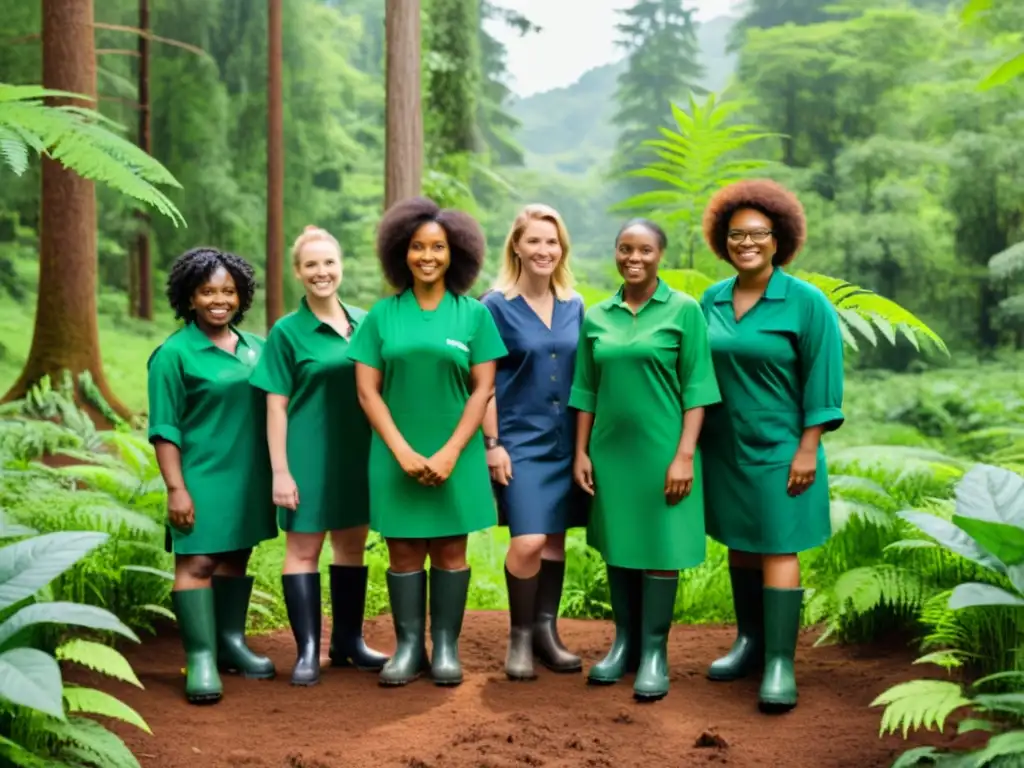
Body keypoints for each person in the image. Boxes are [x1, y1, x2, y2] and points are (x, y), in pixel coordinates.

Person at [346, 196, 507, 688]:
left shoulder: (474, 316)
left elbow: (484, 388)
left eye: (438, 247)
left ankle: (447, 650)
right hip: (396, 454)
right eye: (418, 247)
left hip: (455, 453)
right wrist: (401, 451)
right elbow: (367, 391)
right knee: (404, 553)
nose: (428, 256)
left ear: (456, 252)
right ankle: (410, 647)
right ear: (402, 252)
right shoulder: (381, 316)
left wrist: (452, 451)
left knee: (451, 553)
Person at [698, 179, 845, 713]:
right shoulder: (710, 300)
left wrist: (808, 448)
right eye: (737, 235)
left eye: (758, 234)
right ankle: (749, 643)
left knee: (779, 546)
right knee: (742, 541)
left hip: (784, 448)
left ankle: (781, 661)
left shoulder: (808, 304)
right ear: (723, 240)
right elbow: (693, 373)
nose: (747, 243)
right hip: (725, 448)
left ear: (778, 239)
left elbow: (824, 385)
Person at [569, 219, 721, 702]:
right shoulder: (597, 315)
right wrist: (581, 451)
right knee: (620, 545)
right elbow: (585, 390)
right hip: (610, 453)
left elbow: (698, 389)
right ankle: (624, 645)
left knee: (660, 548)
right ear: (614, 252)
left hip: (663, 451)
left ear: (661, 255)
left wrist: (684, 456)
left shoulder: (684, 311)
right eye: (624, 249)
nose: (634, 258)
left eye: (645, 250)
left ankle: (655, 653)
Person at [249, 226, 389, 687]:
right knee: (303, 550)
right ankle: (308, 649)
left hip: (358, 454)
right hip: (305, 455)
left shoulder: (368, 322)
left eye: (328, 263)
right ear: (298, 272)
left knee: (351, 546)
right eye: (311, 265)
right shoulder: (287, 332)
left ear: (341, 267)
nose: (321, 272)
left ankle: (348, 642)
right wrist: (280, 471)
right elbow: (275, 405)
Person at [147, 247, 278, 705]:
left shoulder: (257, 348)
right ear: (189, 297)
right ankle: (201, 657)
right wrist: (176, 488)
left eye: (228, 291)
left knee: (235, 558)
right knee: (197, 563)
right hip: (199, 474)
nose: (219, 300)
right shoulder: (173, 354)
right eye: (207, 291)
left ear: (242, 297)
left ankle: (231, 644)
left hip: (248, 475)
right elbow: (164, 428)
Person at [481, 204, 588, 681]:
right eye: (535, 241)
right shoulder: (494, 306)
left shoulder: (575, 305)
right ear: (517, 248)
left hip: (566, 441)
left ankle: (548, 632)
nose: (544, 250)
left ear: (561, 248)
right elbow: (483, 380)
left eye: (552, 241)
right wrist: (492, 443)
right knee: (527, 541)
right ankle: (520, 635)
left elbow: (584, 378)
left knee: (554, 542)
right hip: (519, 442)